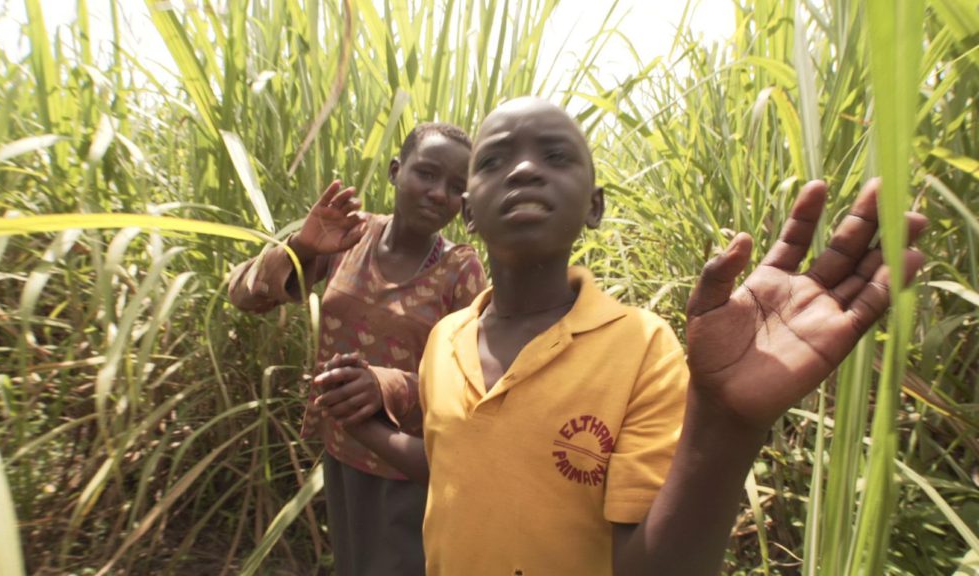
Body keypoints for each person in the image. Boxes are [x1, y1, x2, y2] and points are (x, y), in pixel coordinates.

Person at [325, 97, 927, 575]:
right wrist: (364, 427)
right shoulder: (447, 340)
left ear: (595, 206)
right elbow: (455, 465)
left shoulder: (642, 348)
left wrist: (726, 426)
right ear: (470, 212)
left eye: (556, 156)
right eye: (494, 161)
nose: (526, 168)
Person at [227, 122, 486, 576]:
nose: (439, 193)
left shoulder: (459, 269)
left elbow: (474, 383)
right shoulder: (350, 235)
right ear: (395, 171)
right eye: (426, 174)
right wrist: (300, 249)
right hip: (342, 447)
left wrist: (388, 385)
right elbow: (243, 296)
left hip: (408, 463)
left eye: (456, 188)